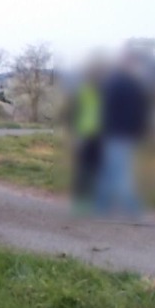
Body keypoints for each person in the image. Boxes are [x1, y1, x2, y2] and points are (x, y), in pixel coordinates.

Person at [95, 54, 151, 218]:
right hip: (121, 133)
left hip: (114, 132)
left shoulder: (114, 83)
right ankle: (132, 208)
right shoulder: (129, 85)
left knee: (110, 170)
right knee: (120, 172)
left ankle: (102, 207)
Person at [65, 73, 103, 213]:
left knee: (91, 168)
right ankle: (82, 203)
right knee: (85, 168)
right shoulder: (84, 95)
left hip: (96, 137)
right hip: (87, 135)